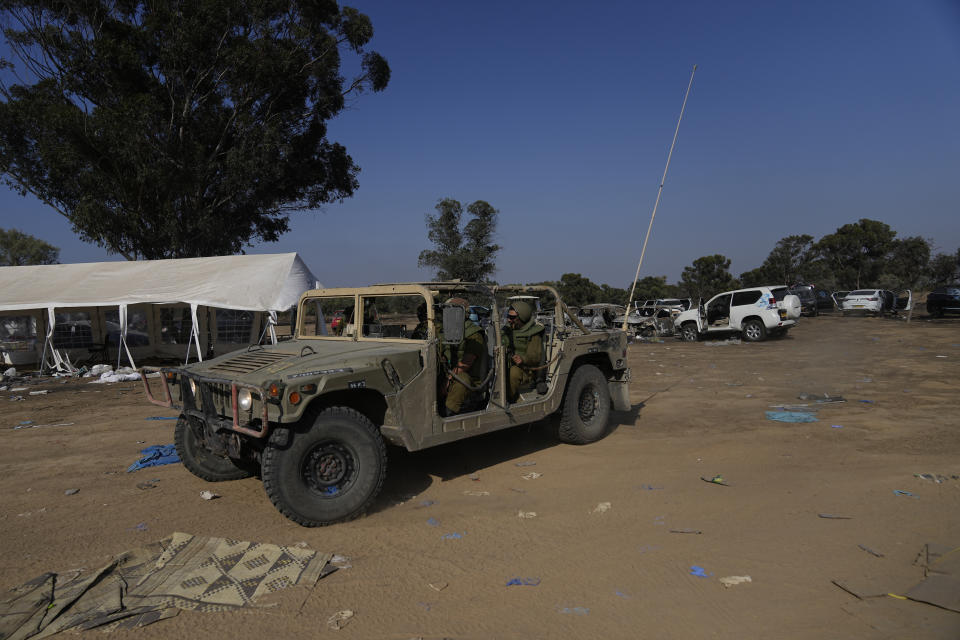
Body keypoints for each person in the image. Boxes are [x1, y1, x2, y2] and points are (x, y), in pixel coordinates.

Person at [439, 297, 486, 415]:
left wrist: (448, 379)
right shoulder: (447, 330)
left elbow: (465, 364)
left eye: (451, 311)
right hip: (449, 373)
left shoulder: (474, 334)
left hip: (469, 379)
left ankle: (448, 412)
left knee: (462, 379)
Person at [501, 300, 545, 402]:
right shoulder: (507, 330)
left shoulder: (533, 333)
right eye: (508, 316)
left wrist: (522, 359)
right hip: (506, 363)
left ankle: (509, 399)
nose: (509, 320)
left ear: (522, 318)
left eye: (512, 317)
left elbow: (536, 356)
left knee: (513, 373)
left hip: (526, 370)